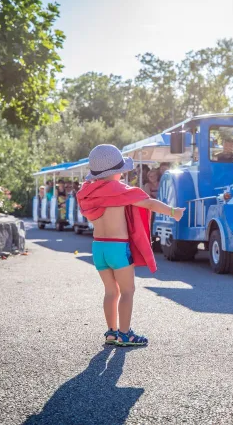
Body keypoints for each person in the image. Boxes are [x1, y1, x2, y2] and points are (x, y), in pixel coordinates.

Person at [77, 144, 184, 346]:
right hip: (118, 247)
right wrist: (173, 212)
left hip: (98, 246)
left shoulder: (87, 192)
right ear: (117, 172)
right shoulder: (120, 191)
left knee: (111, 291)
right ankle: (125, 334)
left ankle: (111, 332)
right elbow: (150, 203)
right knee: (127, 291)